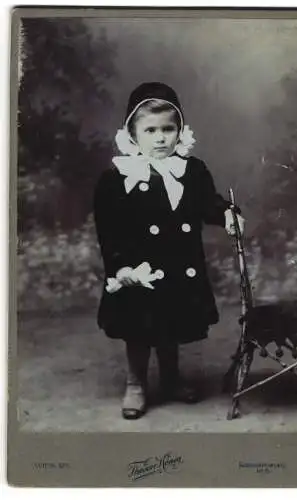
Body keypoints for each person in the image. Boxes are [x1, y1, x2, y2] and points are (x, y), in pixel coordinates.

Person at [93, 82, 244, 419]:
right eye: (150, 130)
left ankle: (171, 379)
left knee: (170, 322)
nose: (160, 138)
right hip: (139, 268)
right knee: (139, 326)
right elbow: (109, 230)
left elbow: (209, 203)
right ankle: (136, 383)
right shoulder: (117, 178)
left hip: (177, 264)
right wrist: (120, 267)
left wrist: (227, 215)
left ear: (180, 131)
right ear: (133, 134)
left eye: (168, 129)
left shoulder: (192, 171)